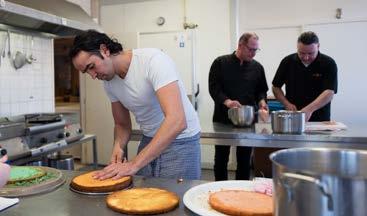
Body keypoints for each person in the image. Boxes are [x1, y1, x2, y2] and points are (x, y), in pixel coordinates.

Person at [70, 30, 201, 180]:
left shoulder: (153, 61)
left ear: (104, 50)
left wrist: (133, 164)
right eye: (87, 72)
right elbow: (121, 124)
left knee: (174, 197)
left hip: (181, 141)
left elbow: (177, 121)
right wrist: (118, 148)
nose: (93, 76)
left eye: (91, 66)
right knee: (145, 196)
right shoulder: (109, 82)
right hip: (149, 138)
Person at [208, 32, 269, 180]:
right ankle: (219, 189)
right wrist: (228, 102)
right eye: (251, 49)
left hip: (248, 120)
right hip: (223, 119)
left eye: (256, 50)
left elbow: (261, 90)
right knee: (221, 158)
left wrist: (262, 102)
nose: (253, 53)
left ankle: (242, 191)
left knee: (244, 159)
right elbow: (214, 88)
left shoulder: (257, 67)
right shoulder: (220, 63)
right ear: (240, 45)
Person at [272, 31, 338, 121]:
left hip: (319, 118)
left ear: (318, 46)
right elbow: (276, 87)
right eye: (302, 53)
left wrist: (309, 109)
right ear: (297, 47)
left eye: (311, 53)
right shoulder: (287, 62)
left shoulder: (328, 63)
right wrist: (286, 104)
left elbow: (329, 92)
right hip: (292, 116)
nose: (306, 57)